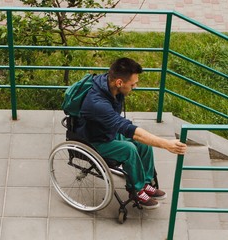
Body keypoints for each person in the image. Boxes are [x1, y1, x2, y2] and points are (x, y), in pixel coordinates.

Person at [76, 57, 187, 209]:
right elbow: (128, 129)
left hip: (108, 130)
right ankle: (136, 189)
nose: (136, 86)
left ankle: (146, 182)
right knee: (130, 149)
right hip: (96, 139)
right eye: (133, 84)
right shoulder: (98, 104)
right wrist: (167, 144)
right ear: (119, 82)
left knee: (144, 144)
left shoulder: (110, 84)